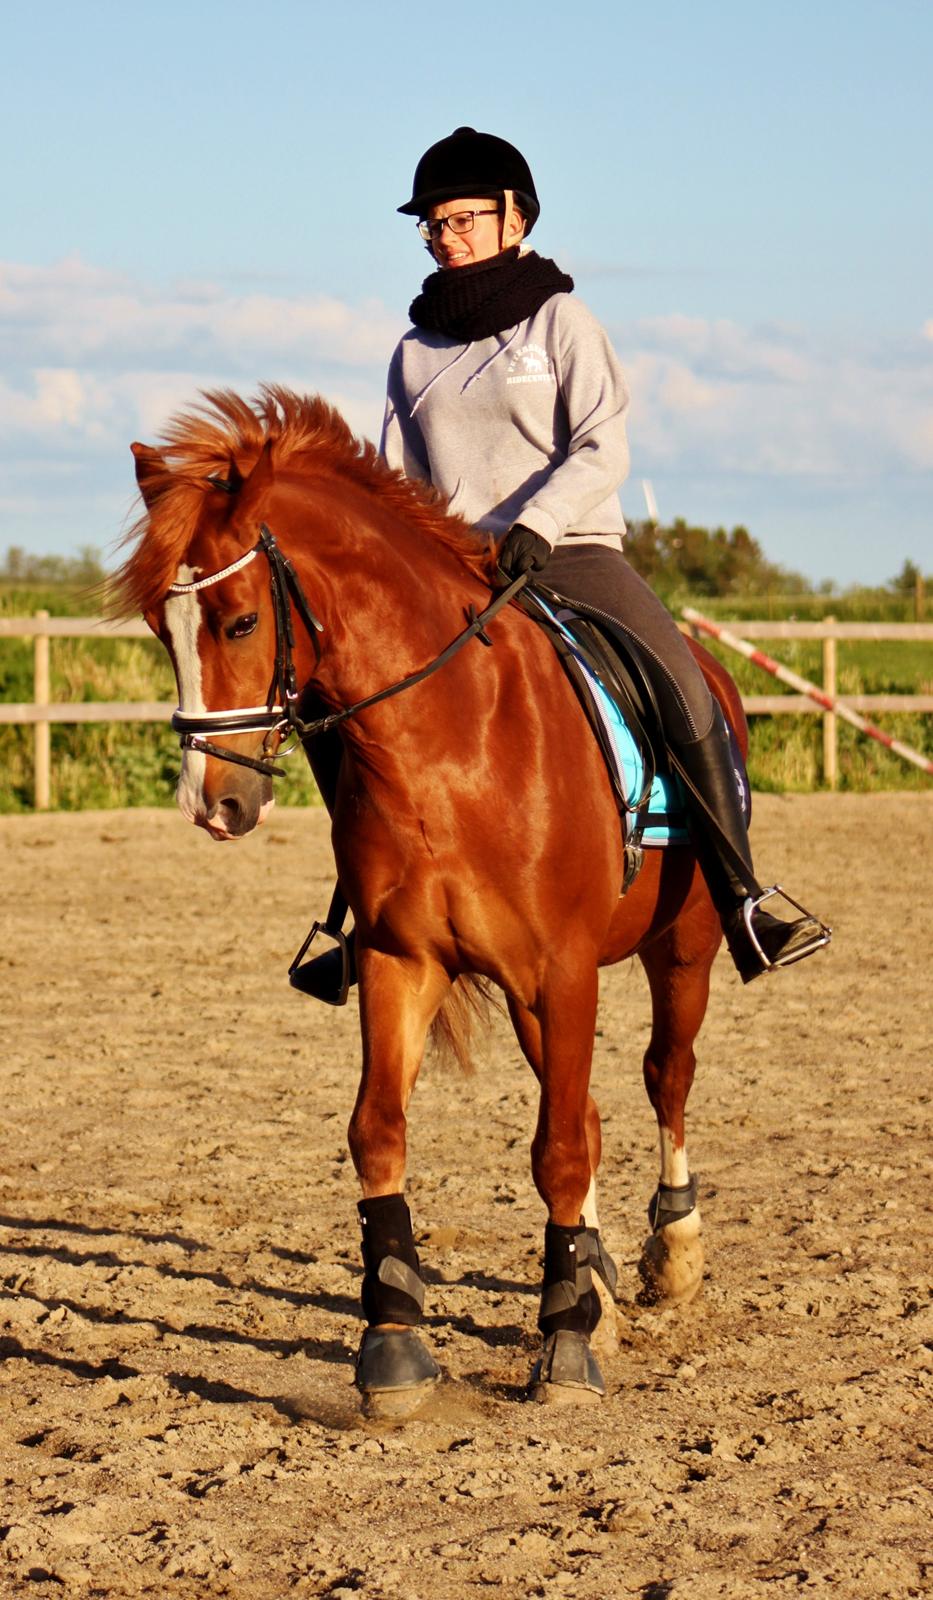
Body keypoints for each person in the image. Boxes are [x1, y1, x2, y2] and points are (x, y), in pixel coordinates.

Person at [295, 126, 829, 1003]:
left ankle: (740, 894)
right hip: (458, 568)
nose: (445, 234)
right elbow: (399, 480)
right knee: (336, 702)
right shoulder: (413, 349)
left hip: (567, 549)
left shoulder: (560, 321)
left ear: (515, 218)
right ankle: (361, 913)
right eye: (431, 223)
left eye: (462, 217)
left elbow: (601, 446)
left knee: (683, 685)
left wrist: (536, 523)